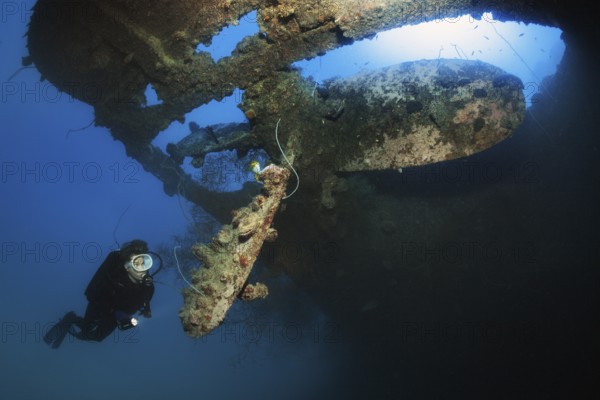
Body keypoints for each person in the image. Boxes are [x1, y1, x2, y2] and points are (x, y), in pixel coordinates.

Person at [44, 240, 155, 348]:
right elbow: (96, 294)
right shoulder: (113, 279)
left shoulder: (148, 287)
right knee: (85, 331)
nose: (143, 270)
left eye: (144, 263)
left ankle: (75, 325)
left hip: (118, 314)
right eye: (137, 264)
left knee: (98, 337)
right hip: (101, 304)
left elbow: (144, 300)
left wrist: (145, 310)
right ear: (127, 267)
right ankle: (71, 318)